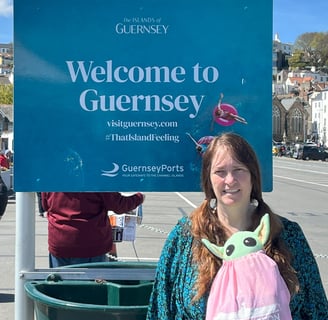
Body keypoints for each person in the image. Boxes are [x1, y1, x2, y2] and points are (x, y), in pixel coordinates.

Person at [146, 132, 328, 319]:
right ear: (208, 179)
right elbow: (161, 309)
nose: (230, 180)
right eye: (220, 172)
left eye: (239, 170)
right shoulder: (186, 236)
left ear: (253, 176)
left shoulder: (288, 235)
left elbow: (316, 308)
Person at [41, 191, 145, 267]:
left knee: (59, 290)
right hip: (91, 245)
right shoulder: (94, 176)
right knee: (92, 291)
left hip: (60, 243)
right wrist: (139, 197)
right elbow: (119, 205)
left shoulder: (52, 178)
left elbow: (45, 205)